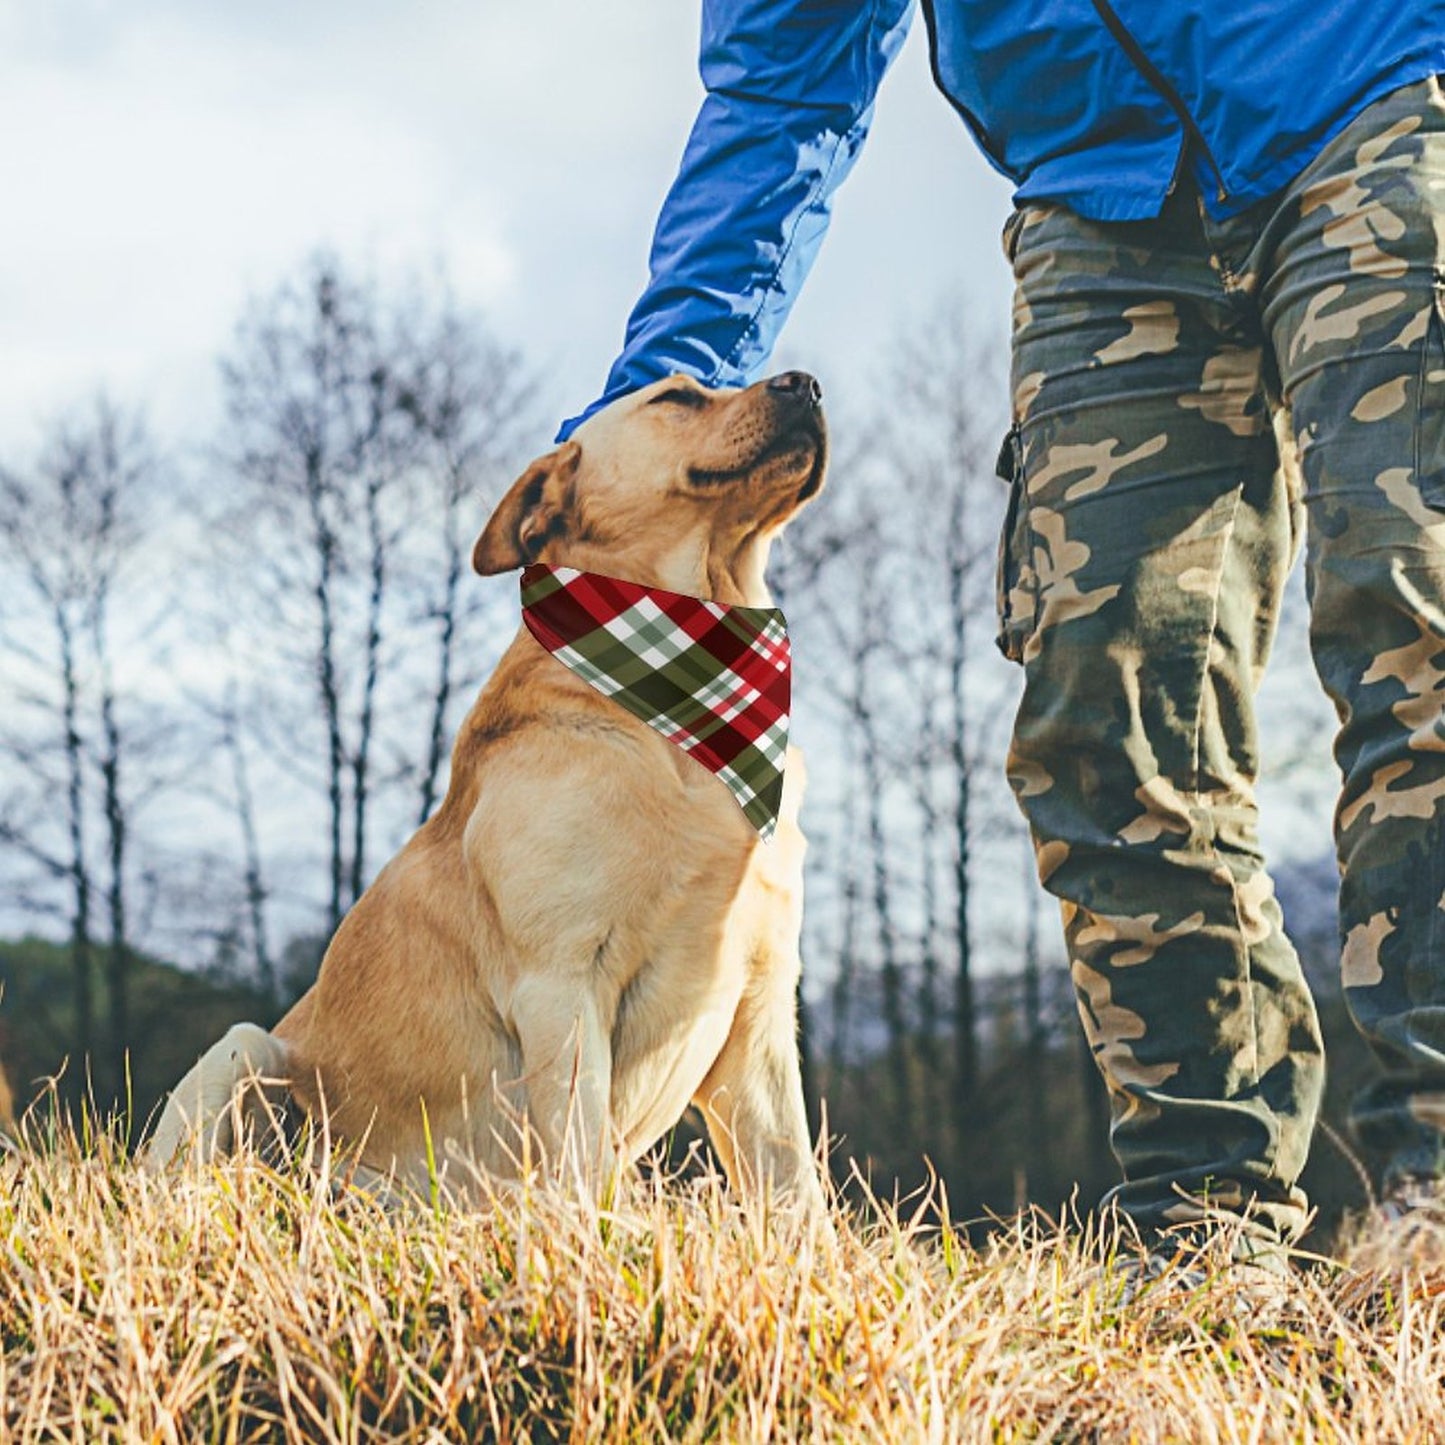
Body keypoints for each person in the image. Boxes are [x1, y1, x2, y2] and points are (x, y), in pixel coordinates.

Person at [560, 0, 1445, 1263]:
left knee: (1413, 621)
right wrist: (652, 414)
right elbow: (780, 92)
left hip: (1369, 86)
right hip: (1100, 199)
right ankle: (1205, 1229)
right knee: (1105, 717)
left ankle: (1434, 1200)